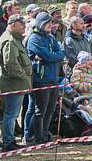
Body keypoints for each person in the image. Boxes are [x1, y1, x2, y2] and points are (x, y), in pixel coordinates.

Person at [26, 12, 65, 144]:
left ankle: (44, 134)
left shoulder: (50, 38)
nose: (51, 25)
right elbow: (48, 56)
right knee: (40, 111)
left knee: (50, 110)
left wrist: (53, 56)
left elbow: (61, 53)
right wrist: (53, 56)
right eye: (48, 22)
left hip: (54, 78)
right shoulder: (34, 38)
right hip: (41, 80)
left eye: (51, 22)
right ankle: (36, 138)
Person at [0, 14, 31, 151]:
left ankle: (10, 140)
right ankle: (8, 142)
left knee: (11, 113)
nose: (24, 26)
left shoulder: (15, 40)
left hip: (17, 83)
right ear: (13, 25)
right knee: (10, 114)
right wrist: (24, 76)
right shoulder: (10, 41)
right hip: (13, 83)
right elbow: (11, 65)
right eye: (21, 24)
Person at [70, 51, 92, 124]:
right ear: (83, 62)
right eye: (87, 60)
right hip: (84, 102)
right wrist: (90, 85)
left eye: (90, 60)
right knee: (88, 123)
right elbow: (75, 85)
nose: (90, 62)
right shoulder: (77, 72)